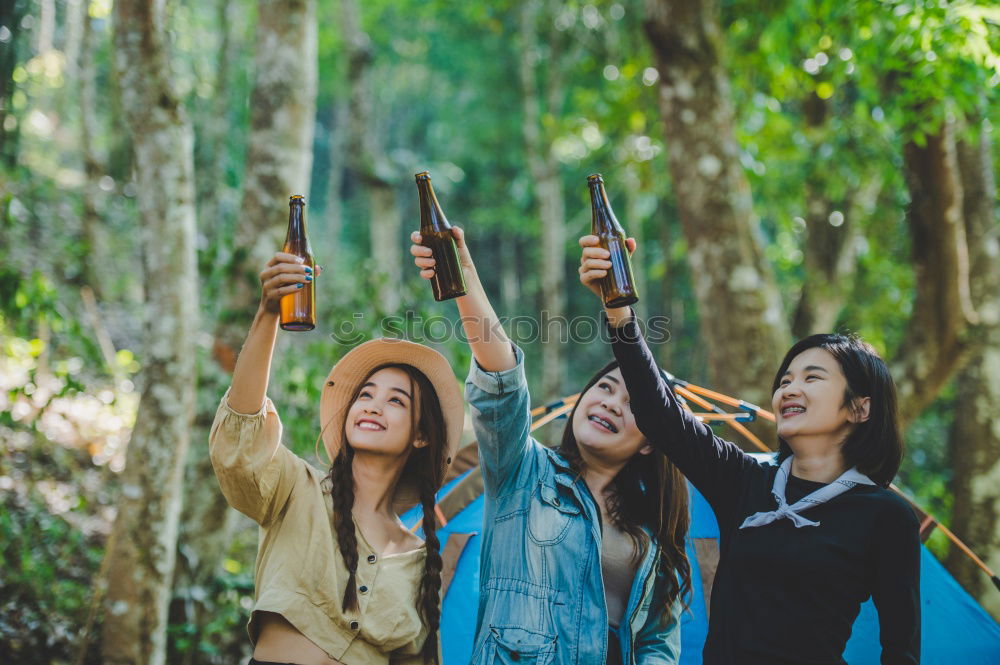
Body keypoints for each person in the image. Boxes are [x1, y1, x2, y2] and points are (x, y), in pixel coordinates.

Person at [578, 235, 921, 665]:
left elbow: (901, 650)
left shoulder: (885, 516)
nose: (789, 388)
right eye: (785, 380)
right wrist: (618, 311)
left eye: (812, 378)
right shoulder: (744, 481)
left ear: (859, 407)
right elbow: (661, 413)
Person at [410, 229, 691, 665]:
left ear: (652, 442)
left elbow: (658, 642)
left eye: (634, 403)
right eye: (606, 387)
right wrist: (463, 274)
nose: (611, 403)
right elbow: (500, 385)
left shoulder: (653, 533)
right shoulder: (523, 472)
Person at [209, 252, 465, 665]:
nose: (373, 406)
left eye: (395, 400)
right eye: (365, 395)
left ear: (421, 435)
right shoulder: (297, 490)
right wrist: (268, 314)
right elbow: (241, 437)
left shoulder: (422, 560)